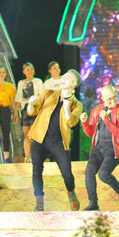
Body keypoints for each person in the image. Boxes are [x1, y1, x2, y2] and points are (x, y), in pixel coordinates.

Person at [27, 69, 83, 211]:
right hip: (40, 139)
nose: (63, 79)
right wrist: (30, 104)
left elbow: (72, 123)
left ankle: (71, 194)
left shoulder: (76, 104)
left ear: (74, 84)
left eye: (68, 78)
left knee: (67, 174)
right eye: (63, 76)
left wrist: (67, 110)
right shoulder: (48, 94)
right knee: (36, 171)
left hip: (58, 142)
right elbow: (33, 111)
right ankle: (39, 202)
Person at [80, 85, 119, 211]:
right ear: (102, 98)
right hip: (99, 148)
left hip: (114, 148)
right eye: (109, 99)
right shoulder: (96, 111)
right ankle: (93, 203)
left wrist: (106, 120)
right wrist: (84, 122)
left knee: (103, 174)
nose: (113, 101)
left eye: (115, 97)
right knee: (89, 172)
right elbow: (89, 133)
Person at [14, 62, 45, 162]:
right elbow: (19, 98)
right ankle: (27, 157)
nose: (30, 71)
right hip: (25, 110)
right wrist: (15, 112)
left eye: (31, 69)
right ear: (23, 72)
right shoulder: (20, 83)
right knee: (26, 135)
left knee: (35, 134)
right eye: (27, 69)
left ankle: (37, 157)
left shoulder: (38, 81)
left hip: (35, 108)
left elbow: (42, 96)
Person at [0, 66, 18, 163]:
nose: (1, 74)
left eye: (3, 72)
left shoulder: (9, 86)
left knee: (6, 134)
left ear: (5, 75)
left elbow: (12, 100)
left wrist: (15, 112)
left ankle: (6, 158)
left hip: (6, 109)